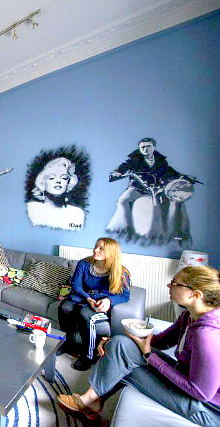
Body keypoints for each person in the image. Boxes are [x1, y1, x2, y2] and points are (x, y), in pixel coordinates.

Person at [57, 266, 220, 426]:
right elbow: (161, 342)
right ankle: (91, 402)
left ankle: (89, 402)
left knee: (121, 364)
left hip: (203, 407)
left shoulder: (207, 335)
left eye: (175, 283)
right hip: (183, 379)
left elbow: (200, 392)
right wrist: (112, 341)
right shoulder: (188, 316)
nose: (169, 285)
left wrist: (150, 356)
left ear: (195, 294)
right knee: (119, 345)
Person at [106, 137, 199, 244]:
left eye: (148, 146)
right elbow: (122, 168)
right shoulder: (133, 161)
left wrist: (184, 177)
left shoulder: (161, 162)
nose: (145, 149)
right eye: (143, 147)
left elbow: (171, 173)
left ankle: (172, 232)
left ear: (153, 147)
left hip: (158, 188)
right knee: (124, 200)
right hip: (137, 188)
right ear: (139, 148)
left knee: (175, 201)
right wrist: (116, 173)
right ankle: (128, 229)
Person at [58, 237, 131, 371]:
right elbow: (76, 286)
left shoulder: (120, 272)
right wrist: (88, 299)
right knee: (64, 307)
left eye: (101, 248)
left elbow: (125, 296)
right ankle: (68, 343)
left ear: (111, 252)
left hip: (100, 302)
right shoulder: (84, 264)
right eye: (96, 246)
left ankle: (88, 355)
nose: (95, 250)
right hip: (84, 297)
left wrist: (109, 301)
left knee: (84, 313)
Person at [26, 157, 85, 231]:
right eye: (52, 178)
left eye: (64, 178)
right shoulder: (31, 209)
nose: (58, 181)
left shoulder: (77, 214)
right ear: (42, 183)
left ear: (69, 183)